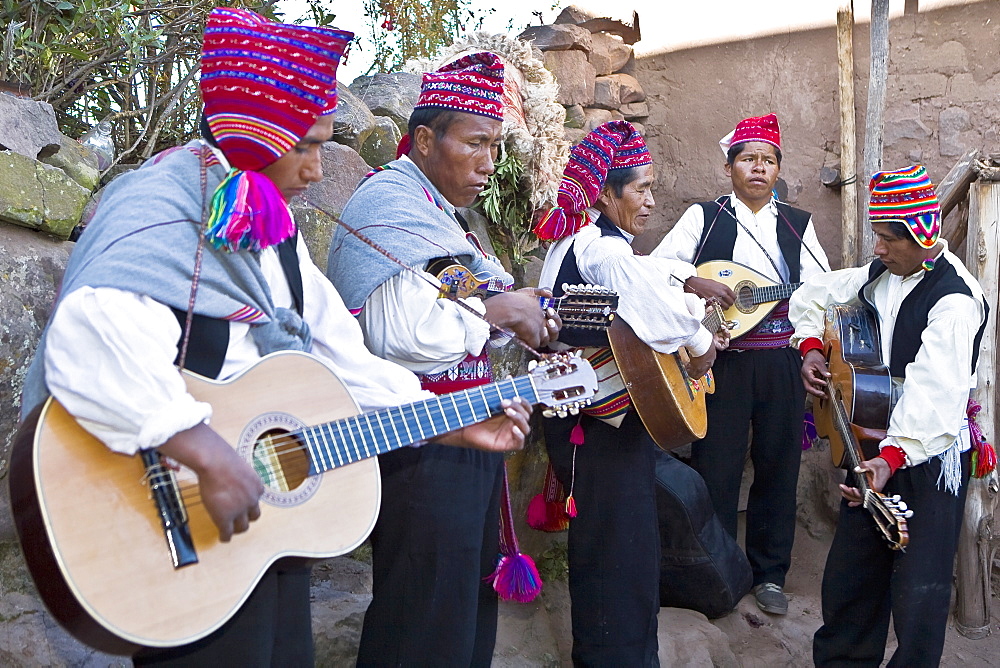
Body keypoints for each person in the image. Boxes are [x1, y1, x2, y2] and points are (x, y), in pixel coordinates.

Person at [18, 10, 531, 666]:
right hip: (173, 517)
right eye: (306, 145)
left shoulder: (270, 230)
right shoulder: (159, 207)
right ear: (256, 133)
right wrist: (202, 448)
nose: (318, 170)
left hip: (262, 530)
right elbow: (86, 340)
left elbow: (342, 363)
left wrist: (446, 421)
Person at [326, 52, 558, 666]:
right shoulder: (390, 206)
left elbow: (457, 295)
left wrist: (507, 309)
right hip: (419, 439)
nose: (488, 163)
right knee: (424, 609)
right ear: (425, 139)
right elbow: (404, 332)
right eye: (475, 143)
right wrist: (496, 313)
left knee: (463, 604)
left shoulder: (437, 218)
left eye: (495, 146)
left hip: (465, 426)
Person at [533, 120, 725, 665]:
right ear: (605, 193)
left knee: (617, 544)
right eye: (640, 189)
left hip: (593, 422)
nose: (649, 201)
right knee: (618, 551)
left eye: (650, 188)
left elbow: (648, 275)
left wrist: (685, 280)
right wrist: (701, 340)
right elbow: (658, 316)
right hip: (598, 425)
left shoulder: (594, 242)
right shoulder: (602, 250)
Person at [790, 165, 988, 667]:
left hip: (928, 457)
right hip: (876, 446)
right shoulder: (880, 276)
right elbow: (815, 294)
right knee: (852, 576)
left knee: (918, 592)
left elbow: (933, 395)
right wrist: (812, 347)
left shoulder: (955, 300)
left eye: (886, 239)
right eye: (875, 236)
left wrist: (893, 458)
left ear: (921, 235)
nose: (876, 248)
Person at [651, 113, 830, 615]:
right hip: (720, 364)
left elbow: (820, 287)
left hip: (781, 363)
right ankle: (718, 569)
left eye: (768, 160)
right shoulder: (703, 218)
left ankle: (771, 574)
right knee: (717, 466)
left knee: (779, 465)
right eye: (748, 159)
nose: (758, 168)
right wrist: (694, 282)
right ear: (730, 167)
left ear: (778, 170)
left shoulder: (798, 223)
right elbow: (660, 267)